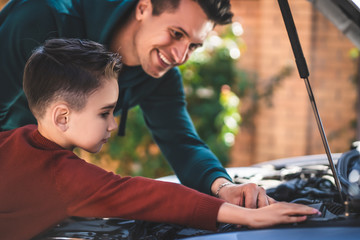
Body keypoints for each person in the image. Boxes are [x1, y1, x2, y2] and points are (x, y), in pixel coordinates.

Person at [0, 38, 319, 240]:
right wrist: (249, 216)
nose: (113, 125)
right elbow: (147, 195)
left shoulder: (13, 141)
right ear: (62, 117)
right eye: (105, 113)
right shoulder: (64, 176)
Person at [0, 0, 268, 206]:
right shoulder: (44, 17)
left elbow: (182, 143)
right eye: (176, 34)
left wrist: (225, 188)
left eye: (194, 46)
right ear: (143, 8)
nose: (180, 56)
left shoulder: (159, 76)